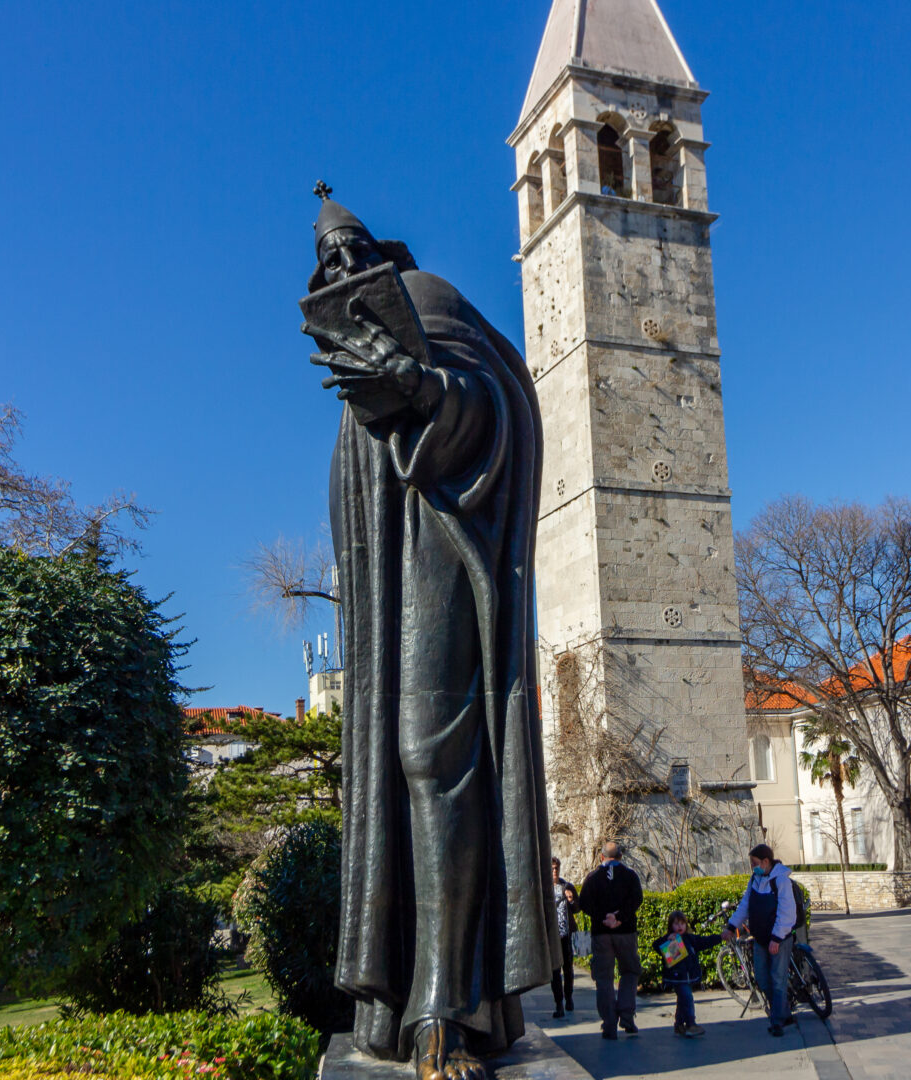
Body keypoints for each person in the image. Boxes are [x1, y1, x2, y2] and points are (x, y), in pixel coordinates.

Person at [309, 190, 555, 1080]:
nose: (345, 269)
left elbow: (493, 406)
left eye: (353, 253)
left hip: (447, 545)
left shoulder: (429, 297)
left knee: (432, 758)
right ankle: (402, 1008)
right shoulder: (351, 337)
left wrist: (418, 387)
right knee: (396, 773)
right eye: (329, 265)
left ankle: (445, 1010)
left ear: (384, 253)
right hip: (387, 586)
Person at [724, 843, 798, 1037]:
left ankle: (777, 1021)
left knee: (778, 979)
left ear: (766, 861)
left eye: (755, 863)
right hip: (761, 938)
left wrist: (777, 938)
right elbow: (745, 905)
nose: (752, 867)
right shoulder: (755, 880)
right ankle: (783, 1014)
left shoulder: (781, 880)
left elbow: (787, 912)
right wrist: (732, 926)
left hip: (778, 940)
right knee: (763, 979)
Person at [578, 842, 644, 1039]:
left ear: (601, 857)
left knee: (604, 978)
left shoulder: (592, 877)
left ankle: (609, 1024)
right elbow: (637, 899)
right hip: (626, 932)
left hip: (601, 934)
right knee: (630, 971)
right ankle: (626, 1015)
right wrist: (619, 918)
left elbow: (584, 903)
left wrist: (603, 918)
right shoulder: (630, 875)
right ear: (621, 856)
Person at [656, 910, 721, 1038]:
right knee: (687, 998)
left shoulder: (690, 939)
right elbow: (656, 945)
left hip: (687, 976)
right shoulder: (670, 939)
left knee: (683, 1000)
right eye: (676, 924)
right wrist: (666, 939)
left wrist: (719, 937)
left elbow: (704, 941)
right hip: (677, 977)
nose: (680, 926)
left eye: (682, 923)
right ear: (671, 926)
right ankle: (691, 1024)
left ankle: (679, 1024)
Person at [549, 858, 578, 1018]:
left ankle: (569, 997)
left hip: (567, 934)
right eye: (552, 868)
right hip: (552, 936)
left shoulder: (567, 886)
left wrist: (571, 900)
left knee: (568, 969)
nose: (555, 871)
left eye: (557, 868)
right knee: (555, 971)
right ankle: (558, 1003)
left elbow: (577, 908)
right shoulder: (544, 888)